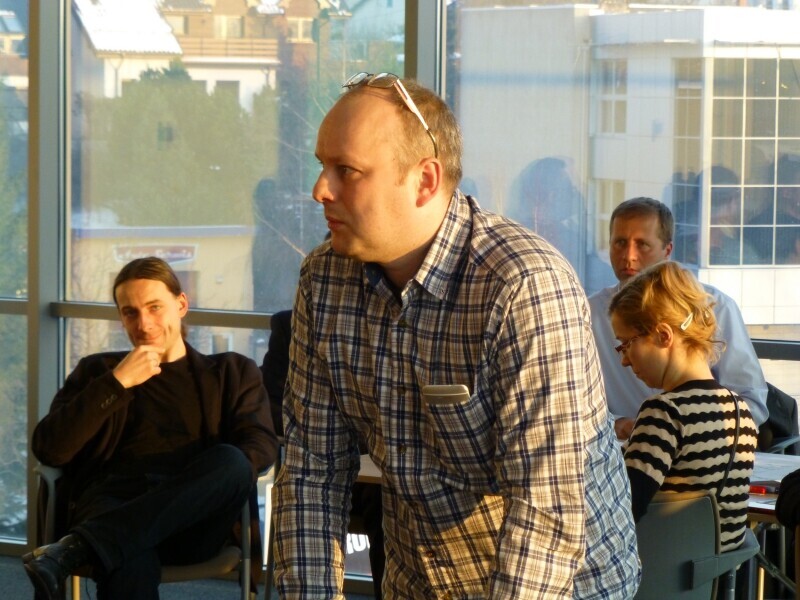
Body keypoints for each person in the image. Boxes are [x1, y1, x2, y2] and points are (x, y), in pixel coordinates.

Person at [272, 72, 640, 598]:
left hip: (562, 584)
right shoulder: (324, 280)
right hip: (421, 579)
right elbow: (312, 469)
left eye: (346, 171)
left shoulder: (524, 286)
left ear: (425, 180)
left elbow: (545, 510)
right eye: (321, 166)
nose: (319, 190)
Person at [23, 257, 278, 600]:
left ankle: (80, 546)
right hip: (113, 502)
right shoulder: (98, 372)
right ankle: (97, 541)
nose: (144, 324)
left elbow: (261, 446)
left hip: (193, 517)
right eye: (130, 312)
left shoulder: (231, 372)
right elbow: (50, 448)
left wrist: (195, 486)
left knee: (233, 461)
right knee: (126, 556)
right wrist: (116, 383)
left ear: (181, 304)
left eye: (155, 307)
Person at [588, 197, 768, 440]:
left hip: (703, 445)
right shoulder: (590, 313)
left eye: (642, 244)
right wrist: (615, 423)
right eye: (620, 243)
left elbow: (751, 402)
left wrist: (684, 432)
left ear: (667, 251)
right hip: (622, 446)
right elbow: (575, 402)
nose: (628, 256)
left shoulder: (714, 306)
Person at [609, 261, 757, 550]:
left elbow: (622, 510)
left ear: (663, 336)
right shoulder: (740, 411)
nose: (624, 360)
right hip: (713, 572)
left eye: (626, 344)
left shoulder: (664, 412)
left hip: (658, 568)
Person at [259, 309, 385, 599]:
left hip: (384, 474)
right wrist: (321, 424)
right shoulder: (291, 324)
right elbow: (269, 404)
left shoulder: (398, 326)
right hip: (322, 466)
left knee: (388, 498)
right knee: (304, 494)